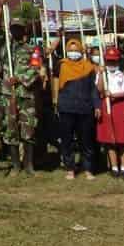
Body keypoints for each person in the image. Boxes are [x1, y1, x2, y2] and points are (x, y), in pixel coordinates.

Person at [0, 18, 45, 177]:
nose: (15, 31)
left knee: (28, 130)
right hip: (9, 96)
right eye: (13, 29)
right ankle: (16, 166)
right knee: (11, 130)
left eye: (19, 28)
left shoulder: (32, 49)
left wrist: (20, 78)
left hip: (26, 94)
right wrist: (1, 7)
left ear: (24, 30)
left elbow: (36, 69)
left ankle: (29, 165)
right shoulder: (6, 49)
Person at [52, 38, 98, 181]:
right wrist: (55, 100)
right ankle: (70, 168)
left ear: (81, 51)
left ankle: (88, 168)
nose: (73, 53)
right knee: (67, 140)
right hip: (66, 107)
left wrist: (96, 105)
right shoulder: (61, 65)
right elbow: (55, 82)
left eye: (76, 50)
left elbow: (93, 89)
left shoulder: (89, 67)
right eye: (70, 50)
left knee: (86, 140)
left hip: (85, 108)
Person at [96, 46, 124, 178]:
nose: (111, 64)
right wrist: (101, 74)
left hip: (121, 106)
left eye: (113, 61)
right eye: (109, 61)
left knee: (123, 139)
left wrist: (115, 95)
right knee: (109, 139)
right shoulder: (102, 73)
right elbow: (99, 89)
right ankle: (114, 167)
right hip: (107, 105)